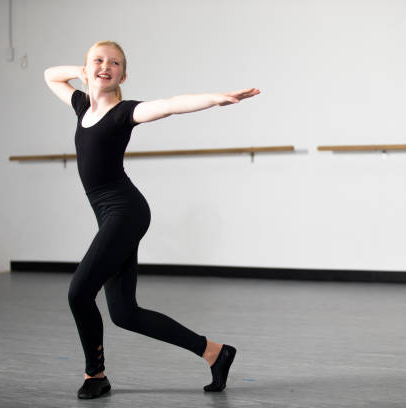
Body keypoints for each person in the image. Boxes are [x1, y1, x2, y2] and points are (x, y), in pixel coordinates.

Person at [44, 40, 260, 399]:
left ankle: (94, 375)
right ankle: (215, 353)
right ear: (86, 69)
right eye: (97, 61)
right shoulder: (81, 104)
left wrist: (216, 98)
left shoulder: (124, 112)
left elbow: (170, 105)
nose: (104, 66)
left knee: (79, 293)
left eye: (114, 63)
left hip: (125, 212)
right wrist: (78, 70)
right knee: (125, 313)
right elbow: (50, 76)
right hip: (111, 216)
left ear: (122, 75)